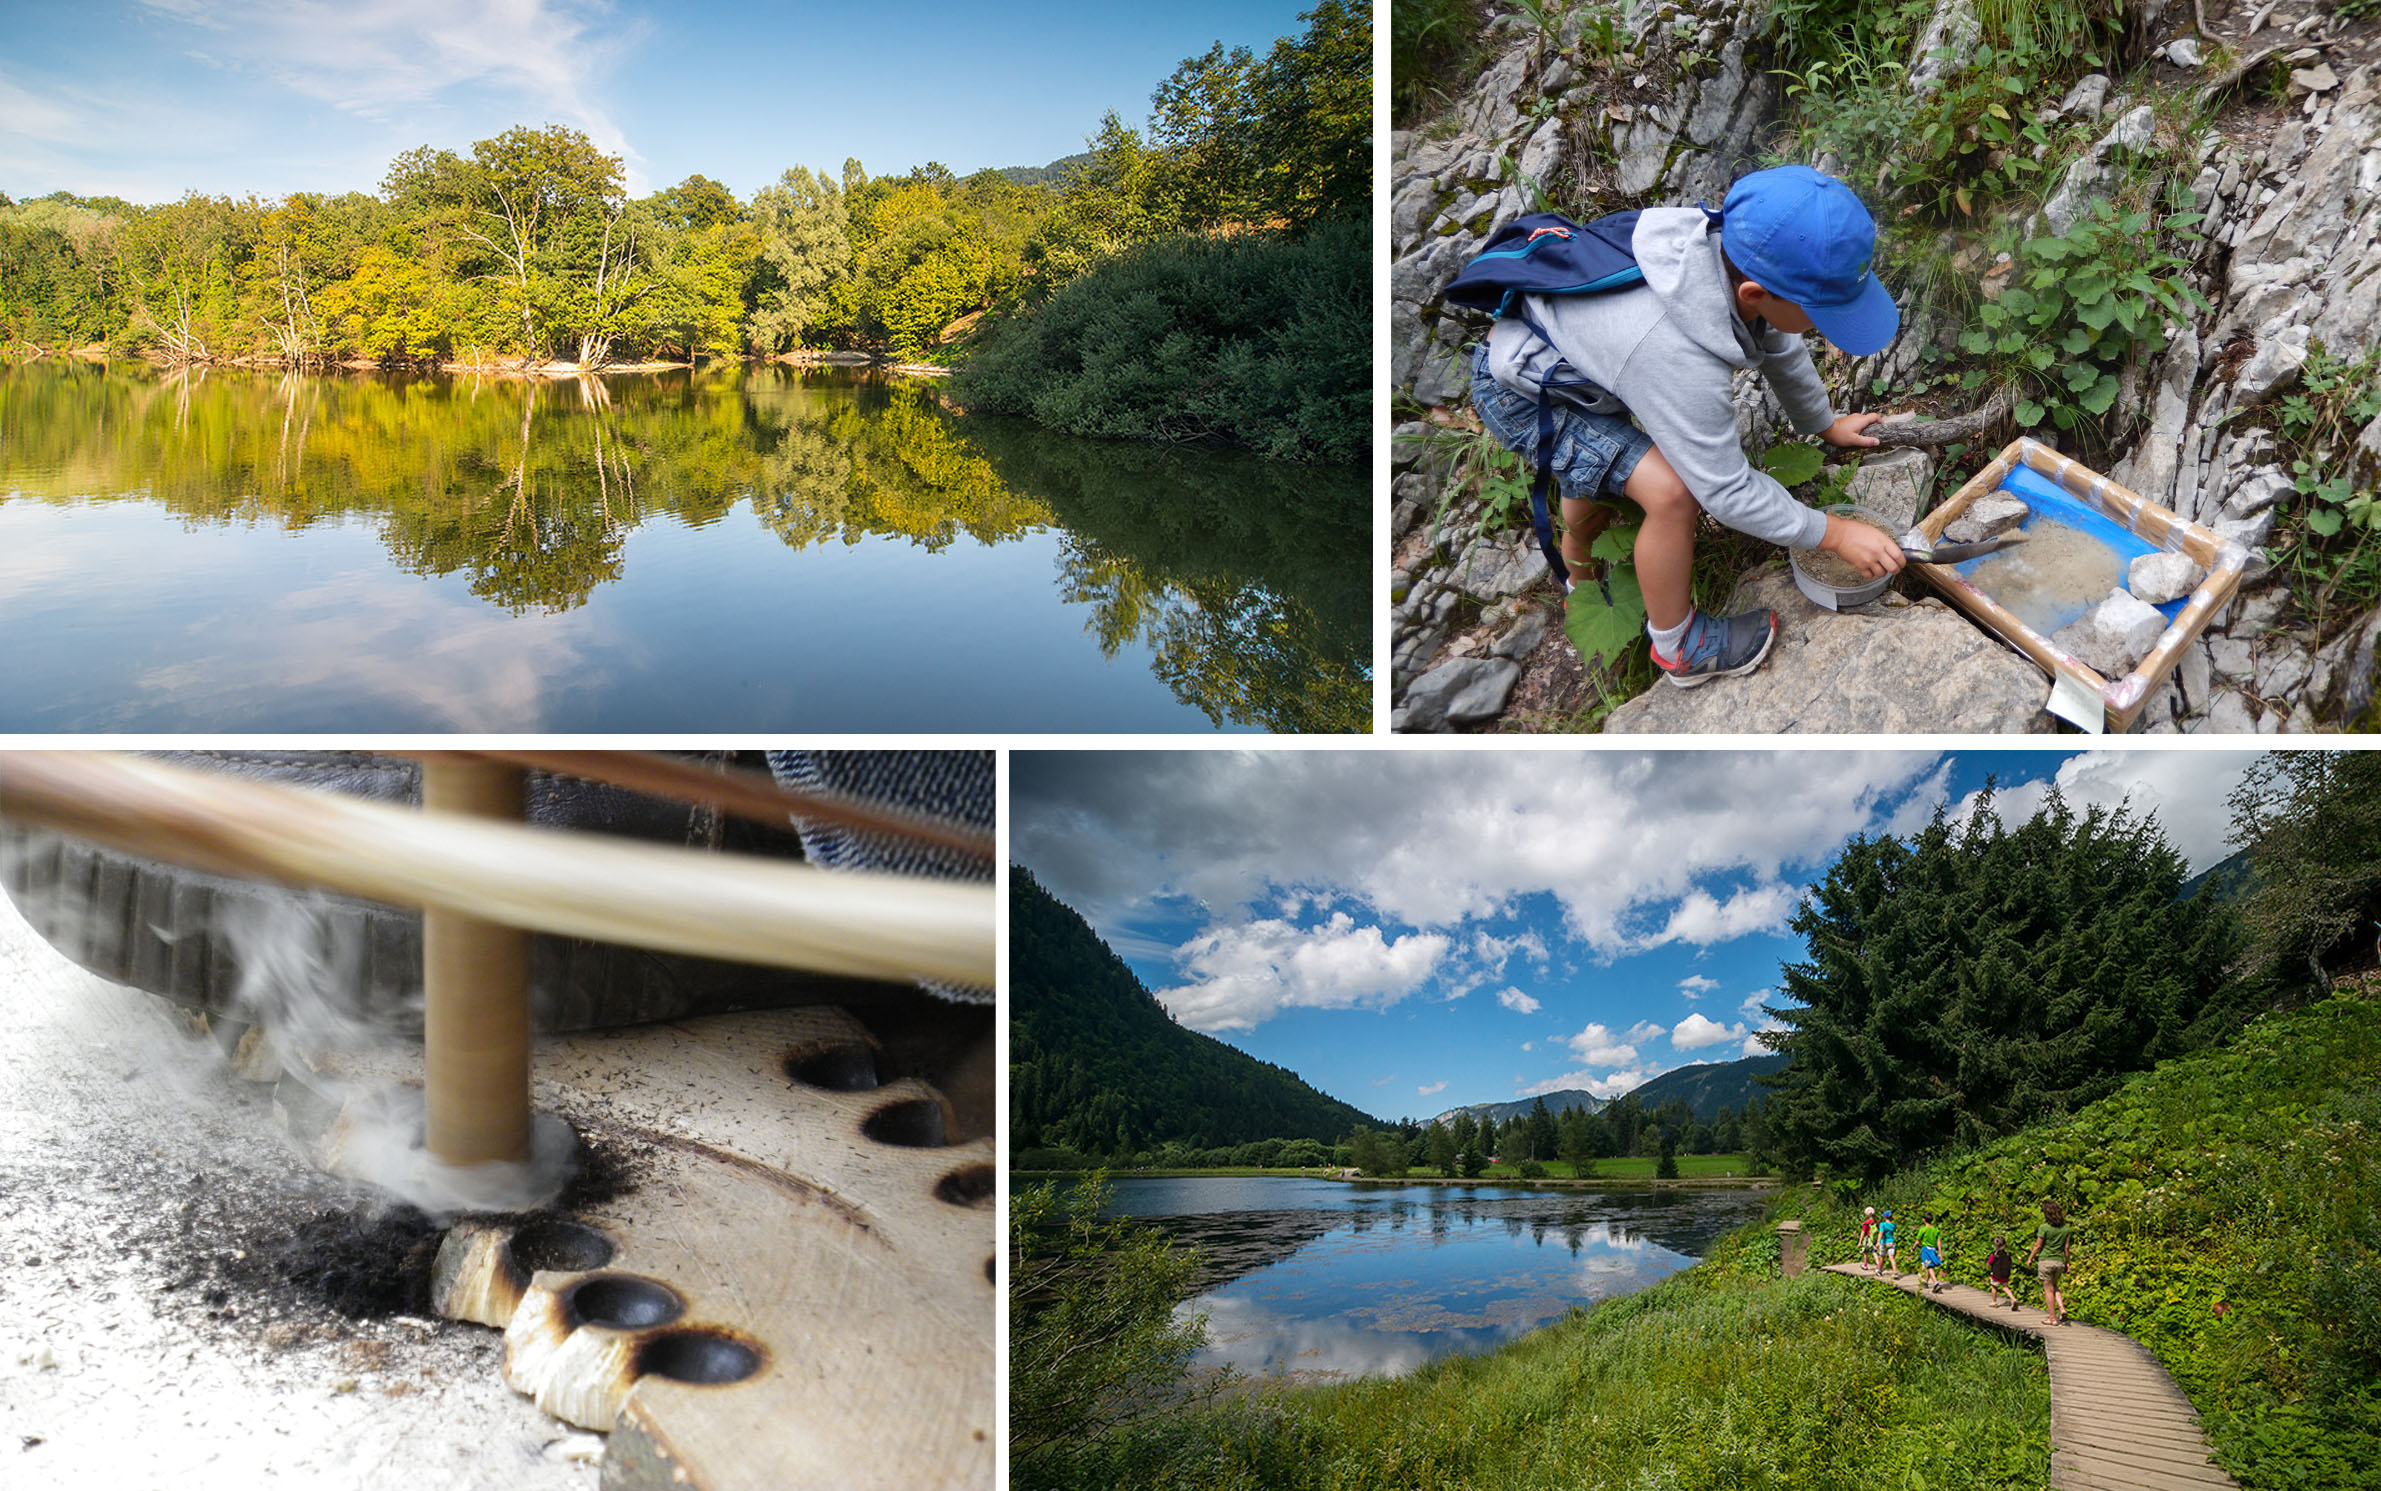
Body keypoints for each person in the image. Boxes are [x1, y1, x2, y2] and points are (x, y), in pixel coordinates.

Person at [1471, 164, 1907, 687]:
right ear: (1753, 293)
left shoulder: (1724, 247)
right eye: (1822, 311)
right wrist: (1831, 533)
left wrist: (1823, 423)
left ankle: (1577, 576)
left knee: (1599, 474)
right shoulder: (1675, 355)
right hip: (1528, 393)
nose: (1828, 326)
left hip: (1576, 356)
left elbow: (1778, 341)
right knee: (1672, 492)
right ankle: (1681, 648)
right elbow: (1724, 491)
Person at [2025, 1200, 2076, 1325]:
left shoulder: (2044, 1228)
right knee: (2055, 1286)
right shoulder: (2065, 1229)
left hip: (2046, 1261)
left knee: (2048, 1290)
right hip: (2059, 1262)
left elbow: (2037, 1246)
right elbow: (2067, 1248)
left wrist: (2030, 1258)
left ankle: (2052, 1318)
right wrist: (2068, 1263)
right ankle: (2062, 1309)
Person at [1985, 1235, 2019, 1310]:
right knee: (2005, 1287)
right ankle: (2013, 1299)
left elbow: (1989, 1263)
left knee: (1994, 1287)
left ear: (1994, 1245)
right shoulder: (2008, 1254)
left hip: (1996, 1274)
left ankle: (1994, 1302)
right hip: (2005, 1274)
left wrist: (1987, 1267)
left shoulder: (1994, 1255)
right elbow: (2011, 1263)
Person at [1917, 1213, 1945, 1293]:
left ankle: (1936, 1284)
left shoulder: (1923, 1229)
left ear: (1924, 1219)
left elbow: (1918, 1240)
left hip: (1926, 1249)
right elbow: (1939, 1241)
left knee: (1929, 1266)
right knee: (1930, 1265)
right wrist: (1939, 1253)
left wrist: (1913, 1248)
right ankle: (1925, 1282)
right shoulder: (1935, 1230)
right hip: (1933, 1250)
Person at [1858, 1205, 1880, 1271]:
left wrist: (1860, 1241)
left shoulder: (1866, 1223)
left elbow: (1863, 1232)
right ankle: (1878, 1265)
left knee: (1866, 1252)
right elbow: (1879, 1230)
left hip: (1868, 1239)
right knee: (1874, 1252)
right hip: (1874, 1239)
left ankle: (1865, 1265)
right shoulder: (1876, 1222)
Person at [1878, 1209, 1899, 1276]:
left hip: (1883, 1242)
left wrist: (1878, 1242)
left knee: (1882, 1257)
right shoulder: (1893, 1225)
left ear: (1885, 1217)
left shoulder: (1882, 1224)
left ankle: (1880, 1271)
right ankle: (1895, 1272)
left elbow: (1881, 1233)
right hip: (1891, 1242)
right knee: (1892, 1258)